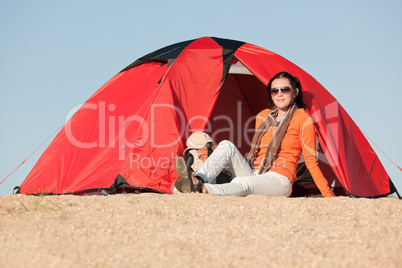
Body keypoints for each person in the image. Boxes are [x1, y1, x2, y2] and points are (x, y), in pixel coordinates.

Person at [175, 71, 333, 197]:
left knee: (245, 183)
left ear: (295, 92)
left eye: (285, 89)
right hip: (256, 171)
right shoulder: (263, 116)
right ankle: (199, 178)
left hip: (280, 179)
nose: (279, 94)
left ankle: (203, 189)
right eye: (274, 90)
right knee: (226, 145)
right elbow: (258, 152)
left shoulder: (302, 119)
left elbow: (311, 162)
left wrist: (328, 195)